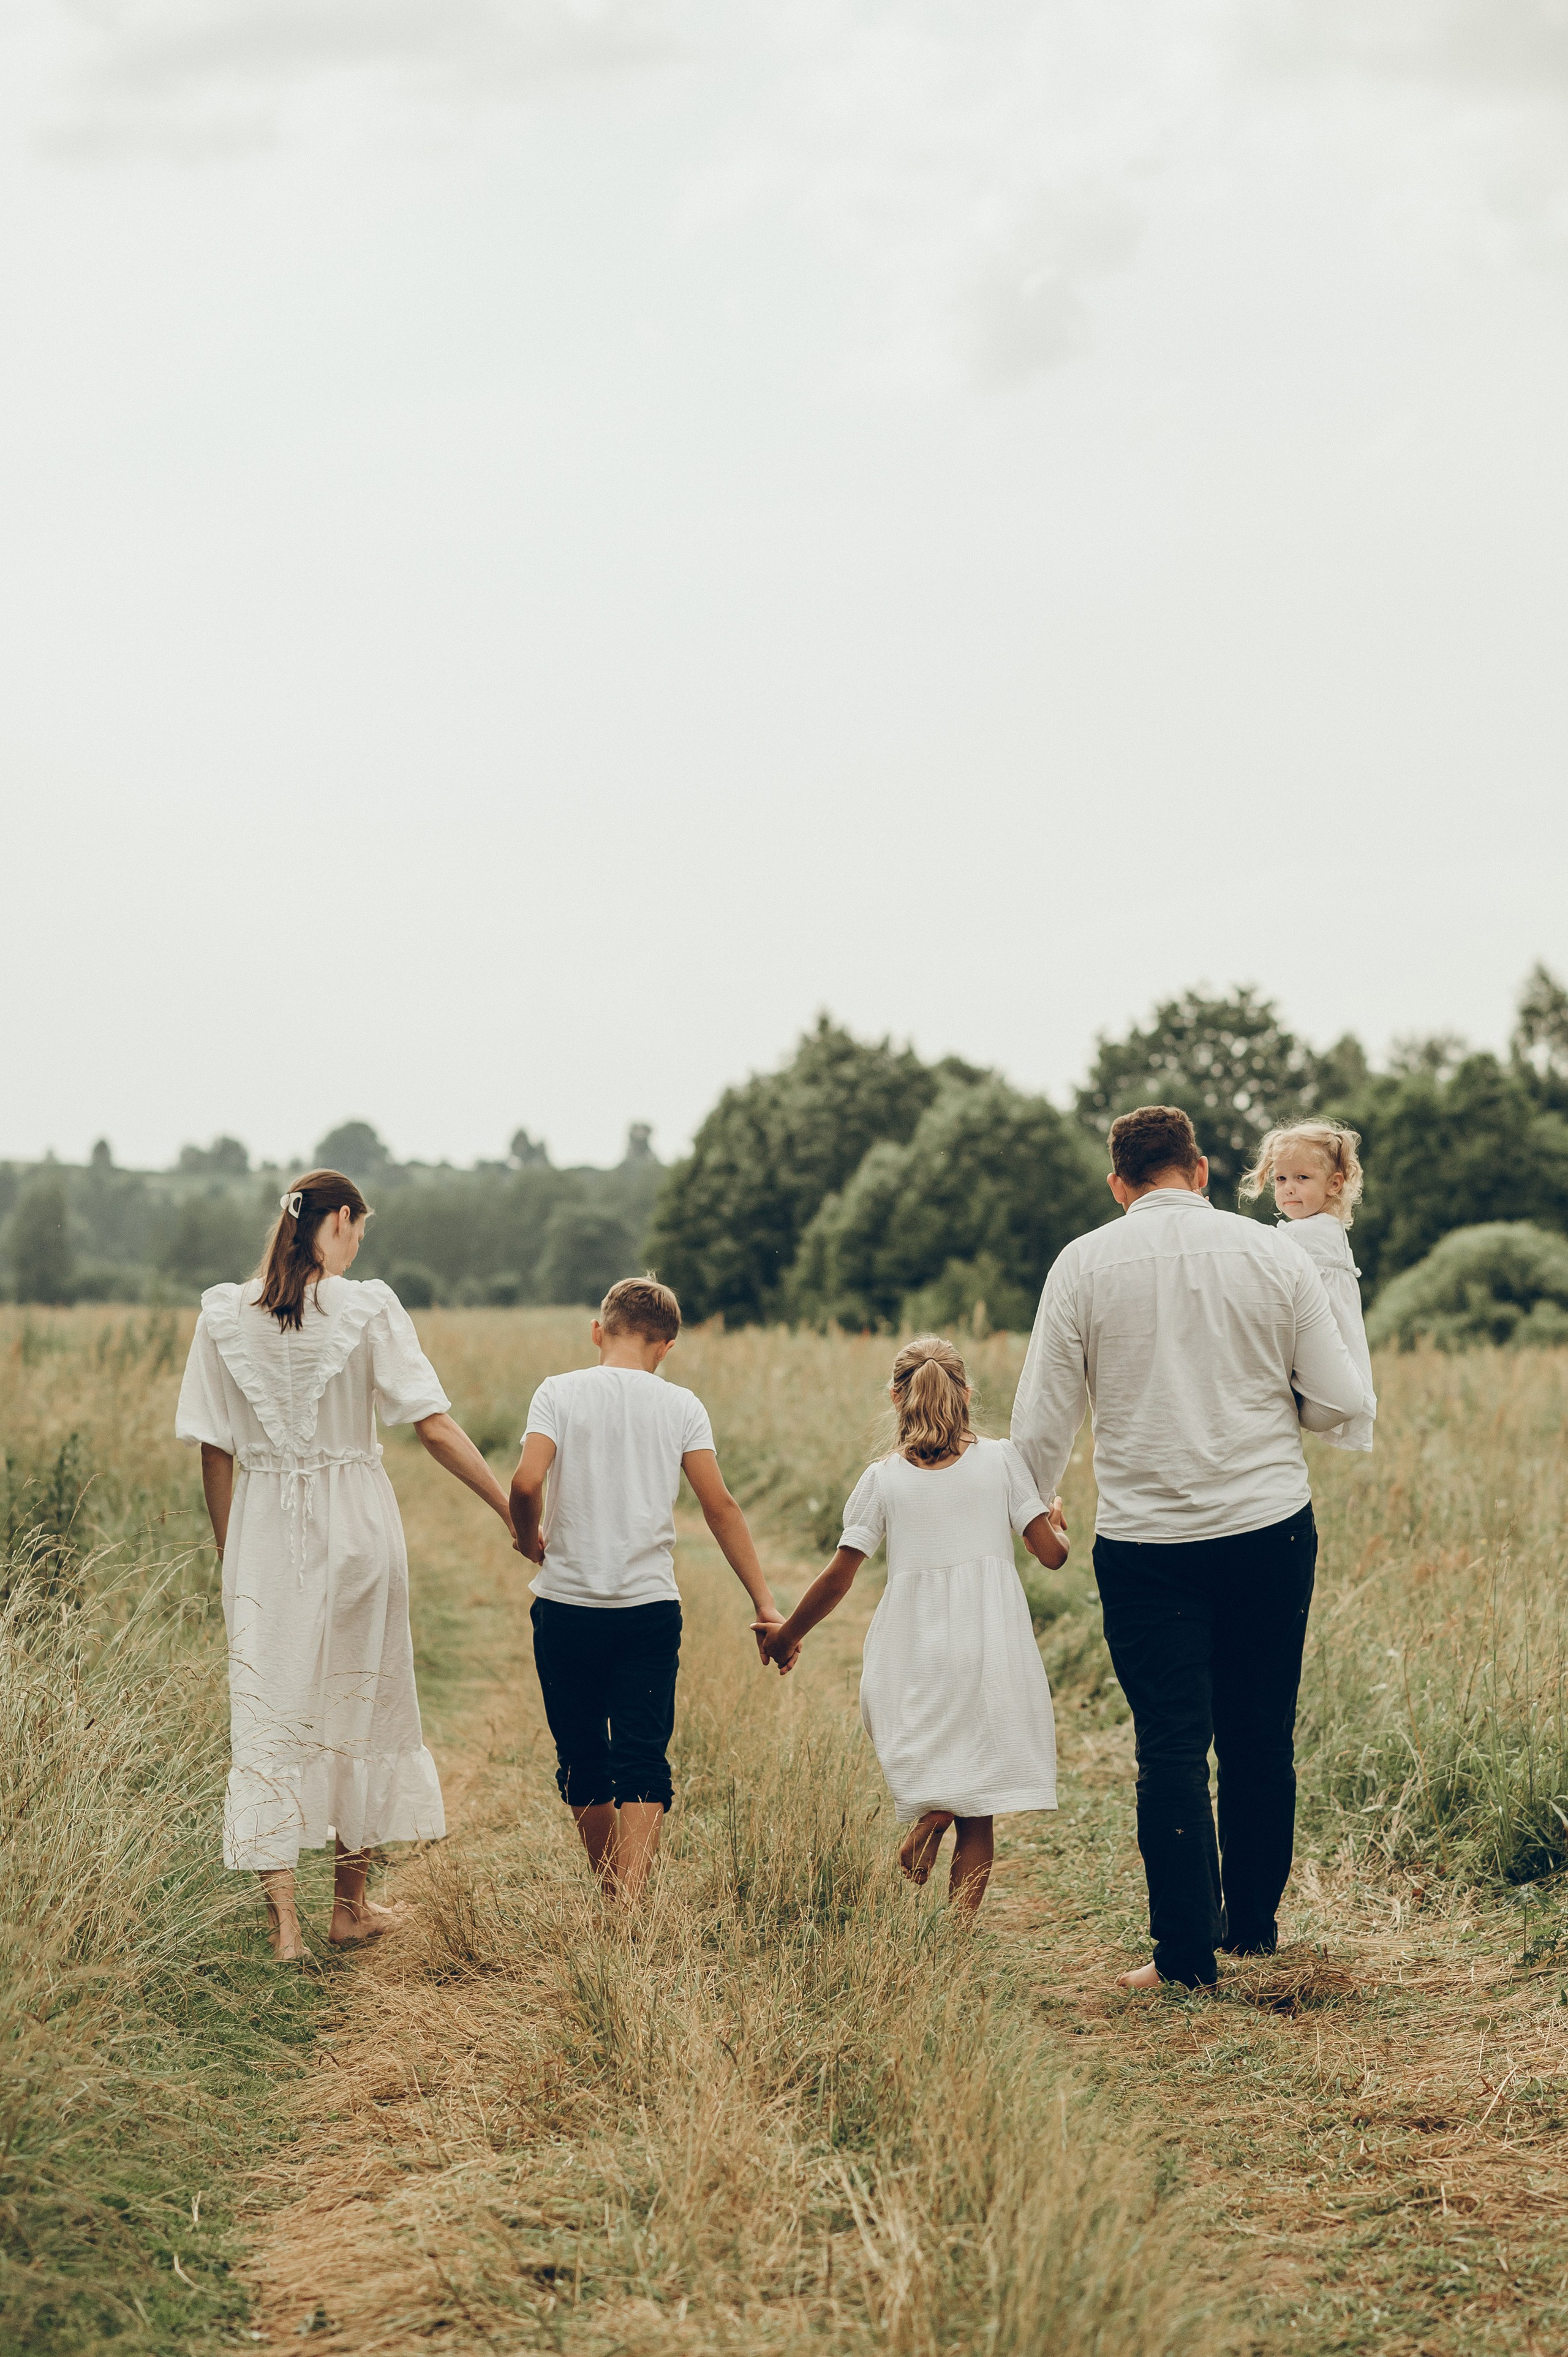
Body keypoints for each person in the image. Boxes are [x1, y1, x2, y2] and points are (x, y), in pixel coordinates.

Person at [1010, 1106, 1371, 1992]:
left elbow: (1044, 1416)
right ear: (1201, 1170)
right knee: (1259, 1736)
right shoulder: (1276, 1255)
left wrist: (1031, 1509)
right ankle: (1252, 1931)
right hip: (1269, 1528)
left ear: (1118, 1185)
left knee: (1170, 1746)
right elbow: (1338, 1399)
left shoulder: (1082, 1263)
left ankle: (1183, 1960)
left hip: (1148, 1543)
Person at [176, 1169, 514, 1964]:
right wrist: (509, 1511)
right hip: (358, 1527)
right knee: (360, 1703)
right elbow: (433, 1427)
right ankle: (349, 1909)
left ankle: (285, 1927)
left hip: (265, 1533)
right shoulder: (367, 1308)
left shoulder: (224, 1314)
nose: (360, 1242)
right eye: (359, 1227)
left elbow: (214, 1451)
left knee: (269, 1712)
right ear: (339, 1221)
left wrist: (232, 1555)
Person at [763, 1336, 1067, 1916]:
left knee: (934, 1751)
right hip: (988, 1642)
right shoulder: (1003, 1460)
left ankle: (933, 1813)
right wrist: (1055, 1522)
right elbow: (1051, 1556)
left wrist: (787, 1635)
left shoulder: (881, 1479)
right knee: (980, 1807)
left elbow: (839, 1577)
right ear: (967, 1394)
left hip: (916, 1644)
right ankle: (956, 1934)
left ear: (896, 1397)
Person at [508, 1275, 783, 1902]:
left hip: (566, 1605)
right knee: (642, 1755)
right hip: (648, 1609)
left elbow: (525, 1483)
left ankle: (612, 1895)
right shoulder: (681, 1405)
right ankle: (629, 1906)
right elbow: (720, 1506)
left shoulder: (557, 1392)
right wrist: (764, 1602)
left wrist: (527, 1537)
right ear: (667, 1346)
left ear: (597, 1332)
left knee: (580, 1754)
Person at [1238, 1121, 1376, 1454]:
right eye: (1280, 1179)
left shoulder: (1304, 1234)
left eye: (1302, 1178)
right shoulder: (1330, 1229)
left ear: (1334, 1184)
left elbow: (1259, 1257)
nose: (1288, 1188)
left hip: (1316, 1358)